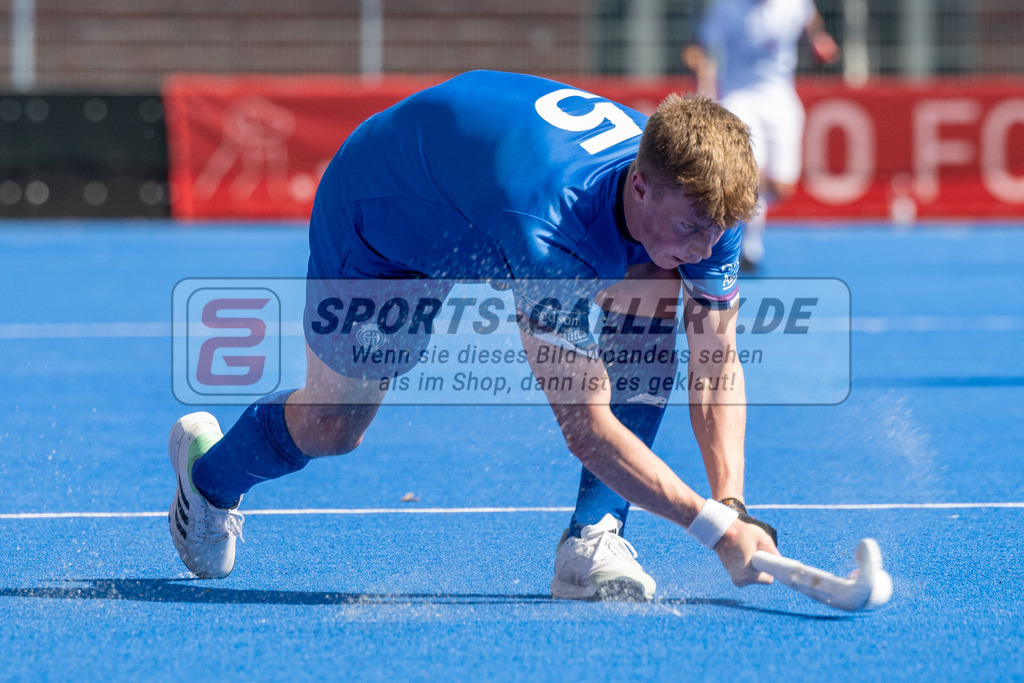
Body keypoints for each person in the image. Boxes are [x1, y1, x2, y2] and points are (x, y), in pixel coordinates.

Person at [168, 70, 780, 601]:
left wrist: (732, 504)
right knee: (333, 426)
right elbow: (587, 430)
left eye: (716, 233)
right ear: (641, 187)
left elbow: (715, 356)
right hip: (386, 211)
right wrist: (713, 532)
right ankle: (208, 480)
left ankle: (594, 538)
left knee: (658, 281)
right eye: (691, 229)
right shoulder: (549, 230)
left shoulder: (703, 200)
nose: (706, 249)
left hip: (475, 187)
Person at [683, 0, 839, 272]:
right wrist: (700, 66)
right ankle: (748, 246)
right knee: (750, 174)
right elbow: (698, 47)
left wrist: (819, 40)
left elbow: (811, 20)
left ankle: (746, 215)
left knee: (781, 187)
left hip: (781, 100)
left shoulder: (794, 4)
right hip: (739, 98)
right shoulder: (727, 7)